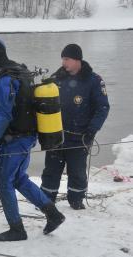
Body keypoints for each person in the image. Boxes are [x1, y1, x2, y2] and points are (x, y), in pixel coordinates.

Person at [0, 38, 65, 241]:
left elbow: (4, 114)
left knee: (1, 183)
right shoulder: (21, 72)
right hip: (27, 136)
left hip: (14, 139)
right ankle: (53, 214)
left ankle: (17, 229)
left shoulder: (6, 79)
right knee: (18, 179)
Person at [40, 44, 110, 210]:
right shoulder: (56, 78)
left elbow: (103, 108)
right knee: (51, 170)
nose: (64, 62)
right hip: (56, 135)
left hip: (80, 135)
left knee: (77, 171)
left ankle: (76, 201)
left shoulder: (94, 80)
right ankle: (45, 200)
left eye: (67, 59)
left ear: (78, 60)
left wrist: (92, 129)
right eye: (63, 59)